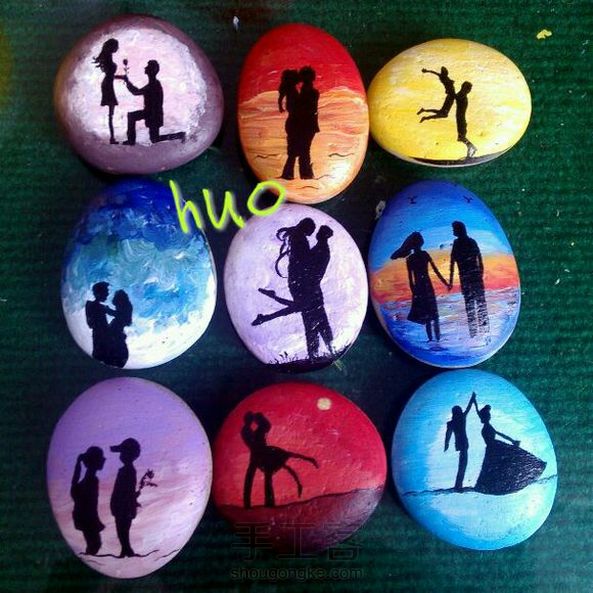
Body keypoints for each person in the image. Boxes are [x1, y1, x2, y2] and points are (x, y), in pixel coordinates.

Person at [241, 412, 318, 509]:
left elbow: (264, 429)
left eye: (253, 419)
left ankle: (268, 503)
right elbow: (253, 443)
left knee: (265, 474)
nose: (252, 421)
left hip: (262, 454)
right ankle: (253, 504)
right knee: (256, 475)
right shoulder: (249, 431)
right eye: (252, 419)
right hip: (259, 454)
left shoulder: (258, 430)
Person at [474, 404, 547, 495]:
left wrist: (512, 441)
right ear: (484, 417)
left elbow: (500, 434)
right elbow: (500, 434)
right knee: (498, 466)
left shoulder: (488, 426)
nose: (489, 416)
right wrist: (512, 441)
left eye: (489, 415)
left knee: (502, 464)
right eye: (488, 415)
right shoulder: (487, 427)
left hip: (495, 447)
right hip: (494, 448)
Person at [391, 231, 449, 342]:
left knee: (429, 315)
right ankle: (434, 339)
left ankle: (433, 339)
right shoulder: (420, 256)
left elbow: (412, 279)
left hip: (420, 287)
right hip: (425, 285)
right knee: (432, 314)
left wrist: (414, 291)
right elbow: (434, 271)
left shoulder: (413, 258)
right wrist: (445, 282)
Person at [121, 60, 186, 146]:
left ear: (152, 70)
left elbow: (136, 92)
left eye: (147, 67)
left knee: (154, 139)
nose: (145, 68)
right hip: (150, 113)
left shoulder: (153, 85)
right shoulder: (153, 83)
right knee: (132, 117)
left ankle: (180, 135)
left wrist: (127, 82)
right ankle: (131, 140)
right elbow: (137, 92)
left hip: (154, 114)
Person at [448, 221, 489, 338]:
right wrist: (480, 273)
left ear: (459, 229)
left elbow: (452, 263)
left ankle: (479, 333)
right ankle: (479, 333)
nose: (453, 231)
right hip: (472, 278)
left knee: (474, 305)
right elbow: (479, 260)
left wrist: (451, 281)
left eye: (454, 229)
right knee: (477, 305)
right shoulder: (468, 242)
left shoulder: (462, 243)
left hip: (469, 278)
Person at [280, 66, 320, 180]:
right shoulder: (297, 93)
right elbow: (294, 108)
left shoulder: (310, 93)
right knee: (297, 150)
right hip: (299, 125)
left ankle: (302, 173)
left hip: (305, 125)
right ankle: (298, 173)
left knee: (302, 150)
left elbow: (307, 109)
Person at [71, 446, 106, 555]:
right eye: (100, 458)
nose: (103, 461)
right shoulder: (91, 479)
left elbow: (75, 483)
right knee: (95, 544)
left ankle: (89, 553)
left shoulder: (90, 479)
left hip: (86, 517)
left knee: (94, 544)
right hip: (87, 518)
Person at [110, 438, 141, 558]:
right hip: (121, 505)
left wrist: (132, 499)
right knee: (121, 528)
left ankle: (127, 549)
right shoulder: (125, 470)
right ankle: (125, 549)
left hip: (124, 506)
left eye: (123, 452)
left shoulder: (129, 471)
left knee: (123, 528)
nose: (121, 456)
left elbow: (127, 489)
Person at [93, 38, 124, 144]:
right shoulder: (108, 57)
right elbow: (110, 74)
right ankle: (112, 138)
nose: (117, 48)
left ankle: (112, 137)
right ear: (112, 47)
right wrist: (121, 77)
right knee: (111, 112)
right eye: (116, 46)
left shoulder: (107, 56)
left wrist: (121, 77)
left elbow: (110, 74)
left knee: (111, 112)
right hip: (108, 86)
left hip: (107, 83)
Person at [444, 392, 477, 491]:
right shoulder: (462, 418)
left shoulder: (451, 423)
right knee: (463, 464)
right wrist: (472, 398)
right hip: (464, 444)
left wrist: (446, 444)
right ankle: (458, 486)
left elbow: (448, 435)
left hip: (459, 444)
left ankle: (458, 484)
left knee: (462, 465)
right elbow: (468, 408)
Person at [85, 282, 115, 364]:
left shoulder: (100, 307)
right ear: (99, 293)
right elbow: (90, 324)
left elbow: (114, 313)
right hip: (100, 337)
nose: (107, 294)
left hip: (103, 337)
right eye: (106, 292)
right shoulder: (92, 305)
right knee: (101, 356)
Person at [104, 289, 132, 368]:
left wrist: (108, 310)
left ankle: (115, 358)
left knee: (115, 341)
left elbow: (122, 316)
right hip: (117, 328)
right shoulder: (125, 306)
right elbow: (118, 314)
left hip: (117, 328)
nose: (116, 307)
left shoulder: (126, 306)